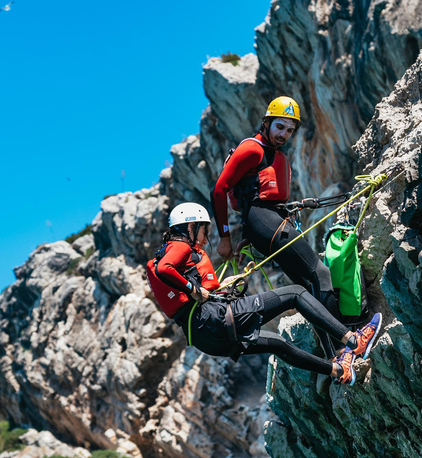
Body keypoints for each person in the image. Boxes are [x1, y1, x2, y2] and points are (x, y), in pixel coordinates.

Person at [145, 202, 382, 385]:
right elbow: (165, 269)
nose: (205, 240)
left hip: (203, 336)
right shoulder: (180, 246)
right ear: (190, 226)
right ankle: (354, 341)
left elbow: (180, 285)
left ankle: (339, 371)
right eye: (203, 232)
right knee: (296, 294)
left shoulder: (170, 252)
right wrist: (195, 290)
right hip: (213, 317)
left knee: (277, 344)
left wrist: (218, 288)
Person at [210, 96, 345, 358]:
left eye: (289, 130)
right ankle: (344, 346)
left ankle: (333, 354)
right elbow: (219, 190)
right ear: (267, 122)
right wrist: (224, 237)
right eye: (279, 127)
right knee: (321, 273)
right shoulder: (252, 149)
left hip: (267, 222)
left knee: (309, 288)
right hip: (263, 219)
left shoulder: (272, 154)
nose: (284, 134)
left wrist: (251, 236)